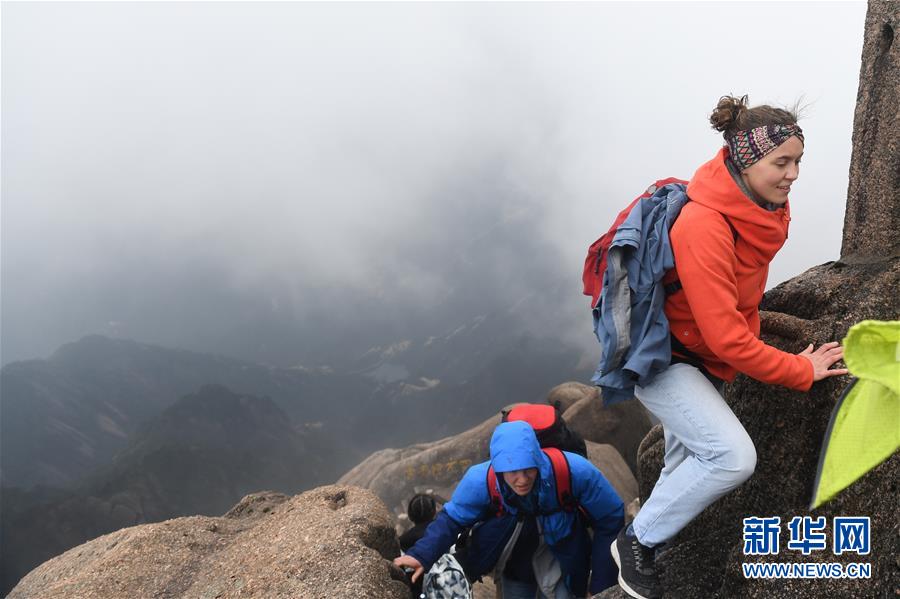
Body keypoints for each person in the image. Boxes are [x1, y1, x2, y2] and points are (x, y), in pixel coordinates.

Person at [610, 95, 849, 599]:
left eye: (798, 161)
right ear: (745, 161)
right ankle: (636, 541)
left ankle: (659, 536)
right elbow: (727, 337)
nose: (793, 175)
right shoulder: (706, 225)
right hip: (663, 358)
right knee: (730, 457)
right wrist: (799, 369)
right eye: (780, 163)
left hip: (699, 355)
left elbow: (739, 297)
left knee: (682, 466)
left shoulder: (761, 207)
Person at [393, 421, 624, 598]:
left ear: (538, 458)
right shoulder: (480, 481)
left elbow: (610, 517)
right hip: (516, 561)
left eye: (528, 469)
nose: (522, 479)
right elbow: (453, 519)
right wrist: (421, 555)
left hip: (564, 557)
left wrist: (602, 585)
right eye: (512, 471)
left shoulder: (573, 471)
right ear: (497, 465)